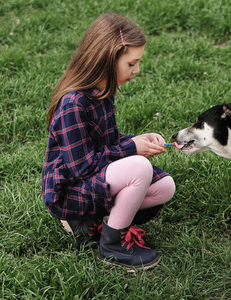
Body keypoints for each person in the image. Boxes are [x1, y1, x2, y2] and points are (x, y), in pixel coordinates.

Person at [42, 12, 175, 270]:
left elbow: (107, 143)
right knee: (140, 168)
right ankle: (112, 244)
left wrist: (137, 140)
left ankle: (89, 223)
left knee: (165, 187)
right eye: (132, 63)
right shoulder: (73, 103)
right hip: (69, 191)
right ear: (108, 59)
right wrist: (132, 150)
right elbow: (83, 167)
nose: (137, 70)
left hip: (90, 181)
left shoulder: (103, 93)